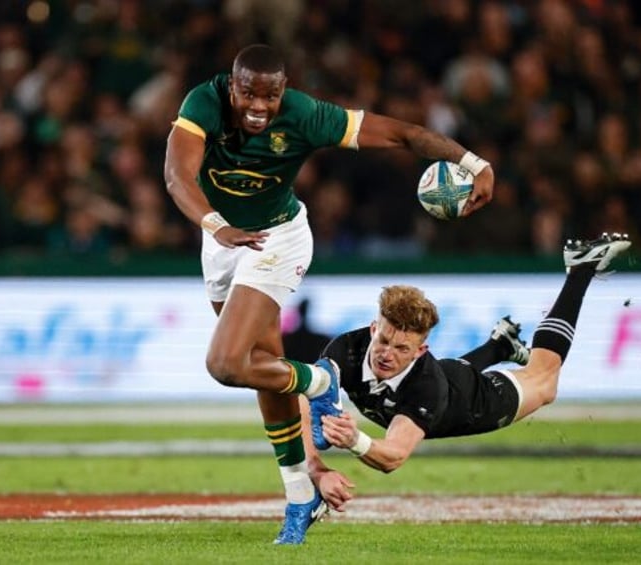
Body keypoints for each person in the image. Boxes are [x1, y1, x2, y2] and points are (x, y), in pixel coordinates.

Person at [162, 43, 496, 544]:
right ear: (232, 87)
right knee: (262, 369)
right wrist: (216, 225)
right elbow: (175, 175)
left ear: (283, 92)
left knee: (226, 363)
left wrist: (473, 161)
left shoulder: (306, 115)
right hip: (223, 240)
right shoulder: (202, 104)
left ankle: (318, 382)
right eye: (248, 93)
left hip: (277, 238)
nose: (259, 105)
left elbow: (402, 133)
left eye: (270, 96)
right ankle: (301, 494)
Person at [306, 233, 631, 512]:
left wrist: (355, 440)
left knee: (545, 381)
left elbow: (393, 456)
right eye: (384, 340)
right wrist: (316, 471)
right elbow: (302, 400)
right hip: (445, 374)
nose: (387, 355)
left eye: (402, 349)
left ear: (421, 351)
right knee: (433, 380)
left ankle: (579, 269)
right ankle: (499, 346)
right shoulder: (346, 348)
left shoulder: (426, 387)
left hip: (472, 398)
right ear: (374, 327)